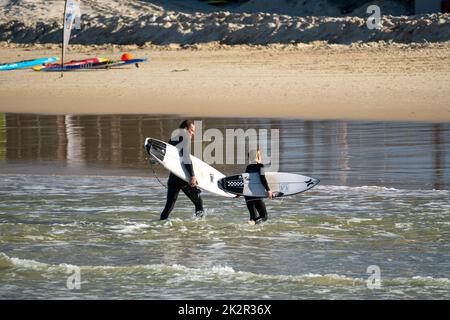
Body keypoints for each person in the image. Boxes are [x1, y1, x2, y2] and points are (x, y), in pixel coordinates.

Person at [160, 120, 204, 220]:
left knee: (168, 207)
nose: (193, 133)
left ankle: (160, 225)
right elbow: (186, 158)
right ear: (185, 129)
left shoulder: (173, 138)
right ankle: (199, 226)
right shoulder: (185, 138)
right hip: (184, 178)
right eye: (192, 130)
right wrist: (192, 176)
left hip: (173, 177)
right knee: (199, 203)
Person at [245, 149, 273, 225]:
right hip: (256, 194)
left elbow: (245, 180)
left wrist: (240, 192)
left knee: (253, 217)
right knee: (264, 216)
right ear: (257, 157)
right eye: (260, 156)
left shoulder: (248, 167)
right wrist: (268, 190)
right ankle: (253, 222)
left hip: (247, 195)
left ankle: (252, 228)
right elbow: (262, 179)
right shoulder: (260, 166)